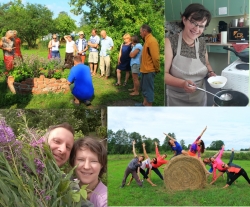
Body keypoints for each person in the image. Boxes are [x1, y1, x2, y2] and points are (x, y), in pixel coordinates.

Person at [165, 3, 216, 106]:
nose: (197, 29)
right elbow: (164, 75)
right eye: (193, 22)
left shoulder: (202, 44)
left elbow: (206, 64)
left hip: (199, 97)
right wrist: (182, 84)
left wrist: (211, 72)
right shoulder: (170, 42)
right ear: (184, 20)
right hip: (176, 98)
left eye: (201, 26)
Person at [69, 137, 107, 207]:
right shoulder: (68, 185)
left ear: (101, 165)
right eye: (81, 160)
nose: (86, 167)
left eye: (94, 161)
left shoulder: (105, 199)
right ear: (73, 162)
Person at [137, 24, 160, 106]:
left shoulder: (152, 41)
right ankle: (144, 104)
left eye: (140, 32)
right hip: (144, 70)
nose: (140, 34)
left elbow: (156, 58)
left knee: (148, 90)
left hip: (149, 70)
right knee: (144, 89)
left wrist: (157, 69)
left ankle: (149, 108)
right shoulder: (147, 40)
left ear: (145, 31)